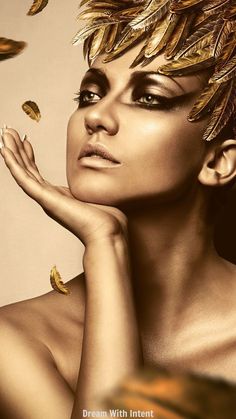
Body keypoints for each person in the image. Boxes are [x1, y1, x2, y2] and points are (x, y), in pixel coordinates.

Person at [0, 0, 236, 418]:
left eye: (149, 98)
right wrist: (105, 245)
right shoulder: (17, 340)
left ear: (218, 161)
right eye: (90, 94)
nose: (97, 117)